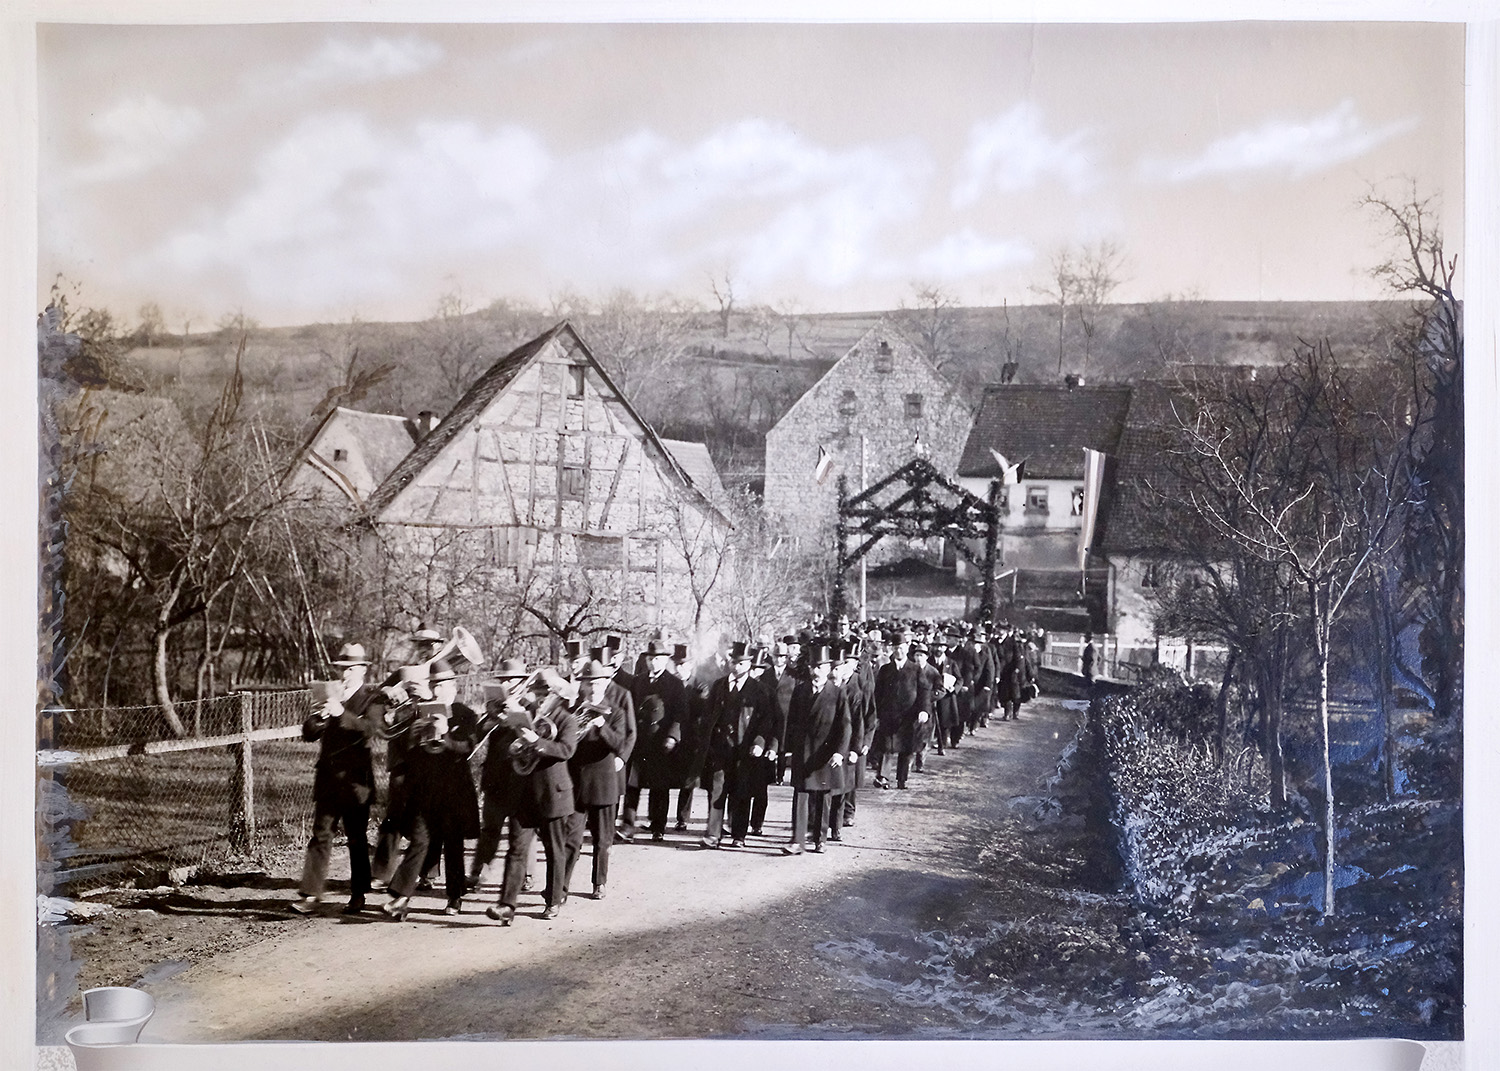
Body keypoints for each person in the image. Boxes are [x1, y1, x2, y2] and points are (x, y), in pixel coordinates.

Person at [381, 660, 481, 919]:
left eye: (442, 685)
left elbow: (467, 748)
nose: (437, 690)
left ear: (454, 686)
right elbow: (407, 754)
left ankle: (455, 896)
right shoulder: (418, 712)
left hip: (454, 792)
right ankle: (401, 898)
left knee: (453, 845)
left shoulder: (465, 714)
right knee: (420, 841)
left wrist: (445, 734)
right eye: (433, 684)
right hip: (425, 792)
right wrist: (412, 736)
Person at [293, 643, 387, 916]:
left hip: (356, 782)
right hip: (328, 780)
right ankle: (310, 895)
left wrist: (341, 714)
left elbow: (372, 729)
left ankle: (358, 894)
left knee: (356, 839)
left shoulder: (373, 698)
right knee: (320, 835)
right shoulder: (331, 694)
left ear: (361, 670)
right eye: (341, 668)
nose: (344, 673)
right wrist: (319, 717)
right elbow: (308, 733)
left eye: (349, 669)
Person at [487, 671, 581, 925]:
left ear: (557, 696)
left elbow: (566, 750)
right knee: (516, 850)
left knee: (554, 850)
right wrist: (511, 730)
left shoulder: (567, 719)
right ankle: (507, 905)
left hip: (553, 794)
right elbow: (508, 745)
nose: (540, 700)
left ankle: (553, 900)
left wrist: (537, 742)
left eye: (545, 695)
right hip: (523, 793)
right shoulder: (525, 713)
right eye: (537, 694)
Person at [567, 659, 636, 900]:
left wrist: (602, 726)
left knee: (602, 839)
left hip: (604, 784)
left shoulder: (615, 712)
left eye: (598, 682)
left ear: (606, 683)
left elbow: (620, 742)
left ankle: (599, 883)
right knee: (571, 839)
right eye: (589, 683)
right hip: (577, 784)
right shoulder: (575, 710)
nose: (593, 687)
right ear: (583, 685)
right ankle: (560, 888)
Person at [700, 642, 779, 849]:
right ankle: (713, 834)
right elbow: (709, 715)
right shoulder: (719, 686)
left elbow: (766, 720)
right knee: (717, 789)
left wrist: (760, 743)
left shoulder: (759, 690)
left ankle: (739, 835)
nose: (737, 667)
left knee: (741, 791)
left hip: (746, 750)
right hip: (720, 747)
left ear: (749, 665)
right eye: (734, 662)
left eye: (742, 663)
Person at [467, 658, 533, 892]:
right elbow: (479, 735)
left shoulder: (530, 704)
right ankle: (478, 872)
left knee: (520, 831)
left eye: (510, 679)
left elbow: (533, 735)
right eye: (503, 680)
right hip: (495, 777)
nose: (506, 683)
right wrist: (488, 720)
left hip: (520, 777)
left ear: (521, 682)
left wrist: (515, 717)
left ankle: (525, 873)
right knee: (490, 828)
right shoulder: (494, 705)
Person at [781, 646, 849, 856]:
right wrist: (789, 750)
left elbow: (845, 726)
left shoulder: (837, 693)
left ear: (828, 668)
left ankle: (820, 838)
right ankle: (797, 841)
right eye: (813, 667)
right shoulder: (800, 690)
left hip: (825, 754)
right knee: (800, 795)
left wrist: (839, 752)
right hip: (803, 752)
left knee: (822, 796)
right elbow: (791, 723)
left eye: (820, 667)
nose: (816, 671)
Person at [622, 639, 685, 841]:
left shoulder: (675, 684)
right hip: (639, 741)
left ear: (665, 660)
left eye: (658, 659)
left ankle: (658, 827)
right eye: (650, 659)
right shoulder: (637, 681)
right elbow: (628, 709)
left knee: (659, 787)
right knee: (633, 786)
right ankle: (627, 827)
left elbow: (680, 714)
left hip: (660, 742)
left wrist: (672, 736)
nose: (654, 662)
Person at [872, 631, 929, 790]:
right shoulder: (885, 669)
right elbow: (878, 693)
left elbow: (924, 691)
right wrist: (876, 714)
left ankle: (901, 779)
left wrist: (923, 710)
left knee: (906, 748)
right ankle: (883, 777)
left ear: (907, 647)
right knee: (886, 746)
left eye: (902, 647)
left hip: (908, 715)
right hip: (888, 714)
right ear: (892, 649)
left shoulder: (916, 669)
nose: (899, 651)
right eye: (895, 648)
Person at [673, 644, 708, 832]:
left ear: (691, 665)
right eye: (677, 665)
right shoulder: (670, 683)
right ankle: (657, 819)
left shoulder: (699, 687)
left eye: (683, 664)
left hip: (690, 739)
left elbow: (701, 713)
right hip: (672, 737)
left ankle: (682, 818)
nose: (680, 668)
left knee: (688, 781)